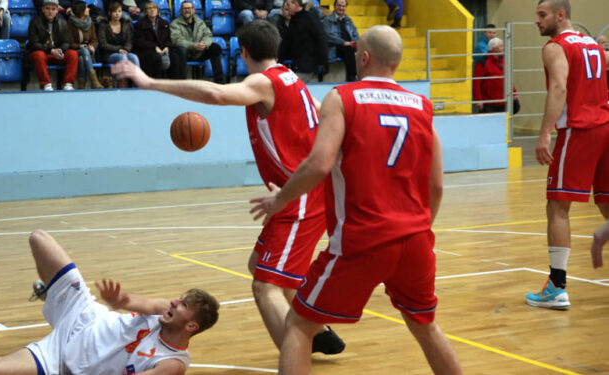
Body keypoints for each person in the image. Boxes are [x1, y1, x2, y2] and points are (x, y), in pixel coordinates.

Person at [113, 20, 345, 356]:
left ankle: (296, 357)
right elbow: (320, 123)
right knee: (261, 266)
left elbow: (217, 93)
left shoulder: (264, 82)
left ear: (244, 52)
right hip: (301, 192)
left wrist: (149, 82)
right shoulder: (290, 78)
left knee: (265, 286)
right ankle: (319, 333)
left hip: (302, 198)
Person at [249, 25, 464, 375]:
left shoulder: (343, 97)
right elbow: (436, 185)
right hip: (416, 240)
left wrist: (280, 200)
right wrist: (422, 229)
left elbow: (318, 164)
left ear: (363, 57)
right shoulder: (422, 106)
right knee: (426, 327)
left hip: (363, 239)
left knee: (298, 327)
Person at [0, 229, 219, 375]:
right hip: (85, 314)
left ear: (191, 325)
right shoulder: (163, 310)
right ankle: (54, 296)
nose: (175, 302)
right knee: (39, 239)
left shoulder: (172, 363)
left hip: (61, 359)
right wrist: (119, 300)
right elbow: (137, 301)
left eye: (183, 305)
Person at [529, 0, 609, 310]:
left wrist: (546, 131)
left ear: (560, 15)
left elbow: (559, 88)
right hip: (605, 126)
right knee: (606, 207)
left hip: (579, 129)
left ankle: (557, 286)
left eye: (542, 15)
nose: (537, 21)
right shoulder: (593, 45)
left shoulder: (556, 46)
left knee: (558, 207)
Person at [27, 0, 79, 90]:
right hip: (43, 53)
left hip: (57, 54)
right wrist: (51, 50)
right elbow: (34, 43)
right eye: (47, 9)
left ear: (57, 10)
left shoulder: (63, 22)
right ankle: (46, 85)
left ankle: (68, 84)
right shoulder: (34, 22)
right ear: (43, 9)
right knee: (38, 55)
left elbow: (67, 42)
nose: (50, 11)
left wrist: (60, 50)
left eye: (53, 9)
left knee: (73, 54)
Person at [170, 0, 224, 83]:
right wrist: (193, 45)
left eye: (189, 8)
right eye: (184, 8)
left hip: (199, 52)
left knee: (215, 48)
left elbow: (208, 35)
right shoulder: (175, 24)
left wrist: (204, 44)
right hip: (184, 53)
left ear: (194, 10)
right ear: (181, 11)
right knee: (181, 49)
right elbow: (176, 39)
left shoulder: (200, 22)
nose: (187, 10)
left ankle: (220, 83)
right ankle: (183, 83)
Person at [279, 0, 328, 83]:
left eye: (288, 4)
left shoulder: (309, 18)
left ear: (296, 4)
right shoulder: (293, 20)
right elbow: (286, 43)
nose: (286, 7)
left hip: (308, 66)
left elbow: (321, 38)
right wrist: (279, 60)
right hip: (298, 64)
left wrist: (324, 62)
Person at [474, 37, 519, 113]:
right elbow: (476, 82)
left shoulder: (504, 60)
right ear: (494, 48)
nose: (503, 48)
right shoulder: (483, 62)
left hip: (503, 101)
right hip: (488, 103)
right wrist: (478, 100)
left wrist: (514, 93)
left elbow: (508, 79)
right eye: (501, 46)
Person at [133, 0, 175, 78]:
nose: (152, 10)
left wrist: (166, 47)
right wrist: (154, 47)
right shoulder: (139, 24)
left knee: (175, 57)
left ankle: (176, 84)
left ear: (158, 10)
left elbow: (168, 39)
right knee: (156, 58)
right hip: (146, 51)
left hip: (162, 50)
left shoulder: (164, 23)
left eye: (154, 8)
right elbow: (139, 42)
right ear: (145, 11)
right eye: (149, 8)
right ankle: (157, 83)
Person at [68, 1, 102, 89]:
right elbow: (70, 43)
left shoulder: (90, 22)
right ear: (81, 11)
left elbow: (94, 39)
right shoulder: (70, 23)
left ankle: (81, 85)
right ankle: (94, 80)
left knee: (82, 58)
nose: (88, 9)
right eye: (86, 7)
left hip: (88, 52)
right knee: (83, 51)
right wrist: (81, 46)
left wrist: (92, 47)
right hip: (75, 50)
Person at [322, 0, 358, 82]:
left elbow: (355, 33)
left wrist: (355, 42)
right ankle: (352, 77)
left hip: (349, 45)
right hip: (335, 47)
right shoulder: (327, 20)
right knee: (349, 49)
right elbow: (329, 36)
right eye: (339, 6)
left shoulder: (348, 20)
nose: (341, 8)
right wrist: (344, 43)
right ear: (335, 6)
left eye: (343, 6)